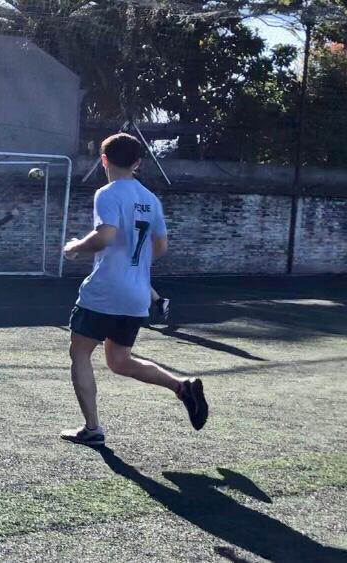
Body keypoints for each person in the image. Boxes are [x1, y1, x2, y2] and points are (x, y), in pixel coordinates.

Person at [60, 133, 207, 447]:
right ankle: (182, 387)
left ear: (104, 160)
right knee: (119, 361)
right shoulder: (151, 199)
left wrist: (74, 247)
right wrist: (134, 264)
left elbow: (104, 237)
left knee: (79, 352)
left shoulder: (107, 193)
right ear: (138, 163)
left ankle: (93, 429)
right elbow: (161, 247)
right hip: (137, 296)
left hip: (105, 292)